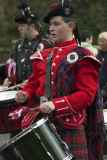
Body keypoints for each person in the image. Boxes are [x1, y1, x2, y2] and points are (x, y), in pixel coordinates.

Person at [15, 1, 105, 160]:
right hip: (42, 122)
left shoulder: (82, 56)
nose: (50, 28)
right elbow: (33, 83)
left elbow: (87, 95)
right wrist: (26, 94)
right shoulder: (43, 56)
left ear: (70, 25)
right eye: (50, 24)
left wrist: (56, 104)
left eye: (56, 24)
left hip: (70, 126)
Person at [3, 2, 53, 88]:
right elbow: (14, 67)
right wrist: (9, 79)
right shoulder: (18, 44)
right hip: (18, 90)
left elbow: (51, 71)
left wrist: (34, 81)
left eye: (22, 26)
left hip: (38, 90)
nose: (19, 29)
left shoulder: (46, 44)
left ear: (32, 26)